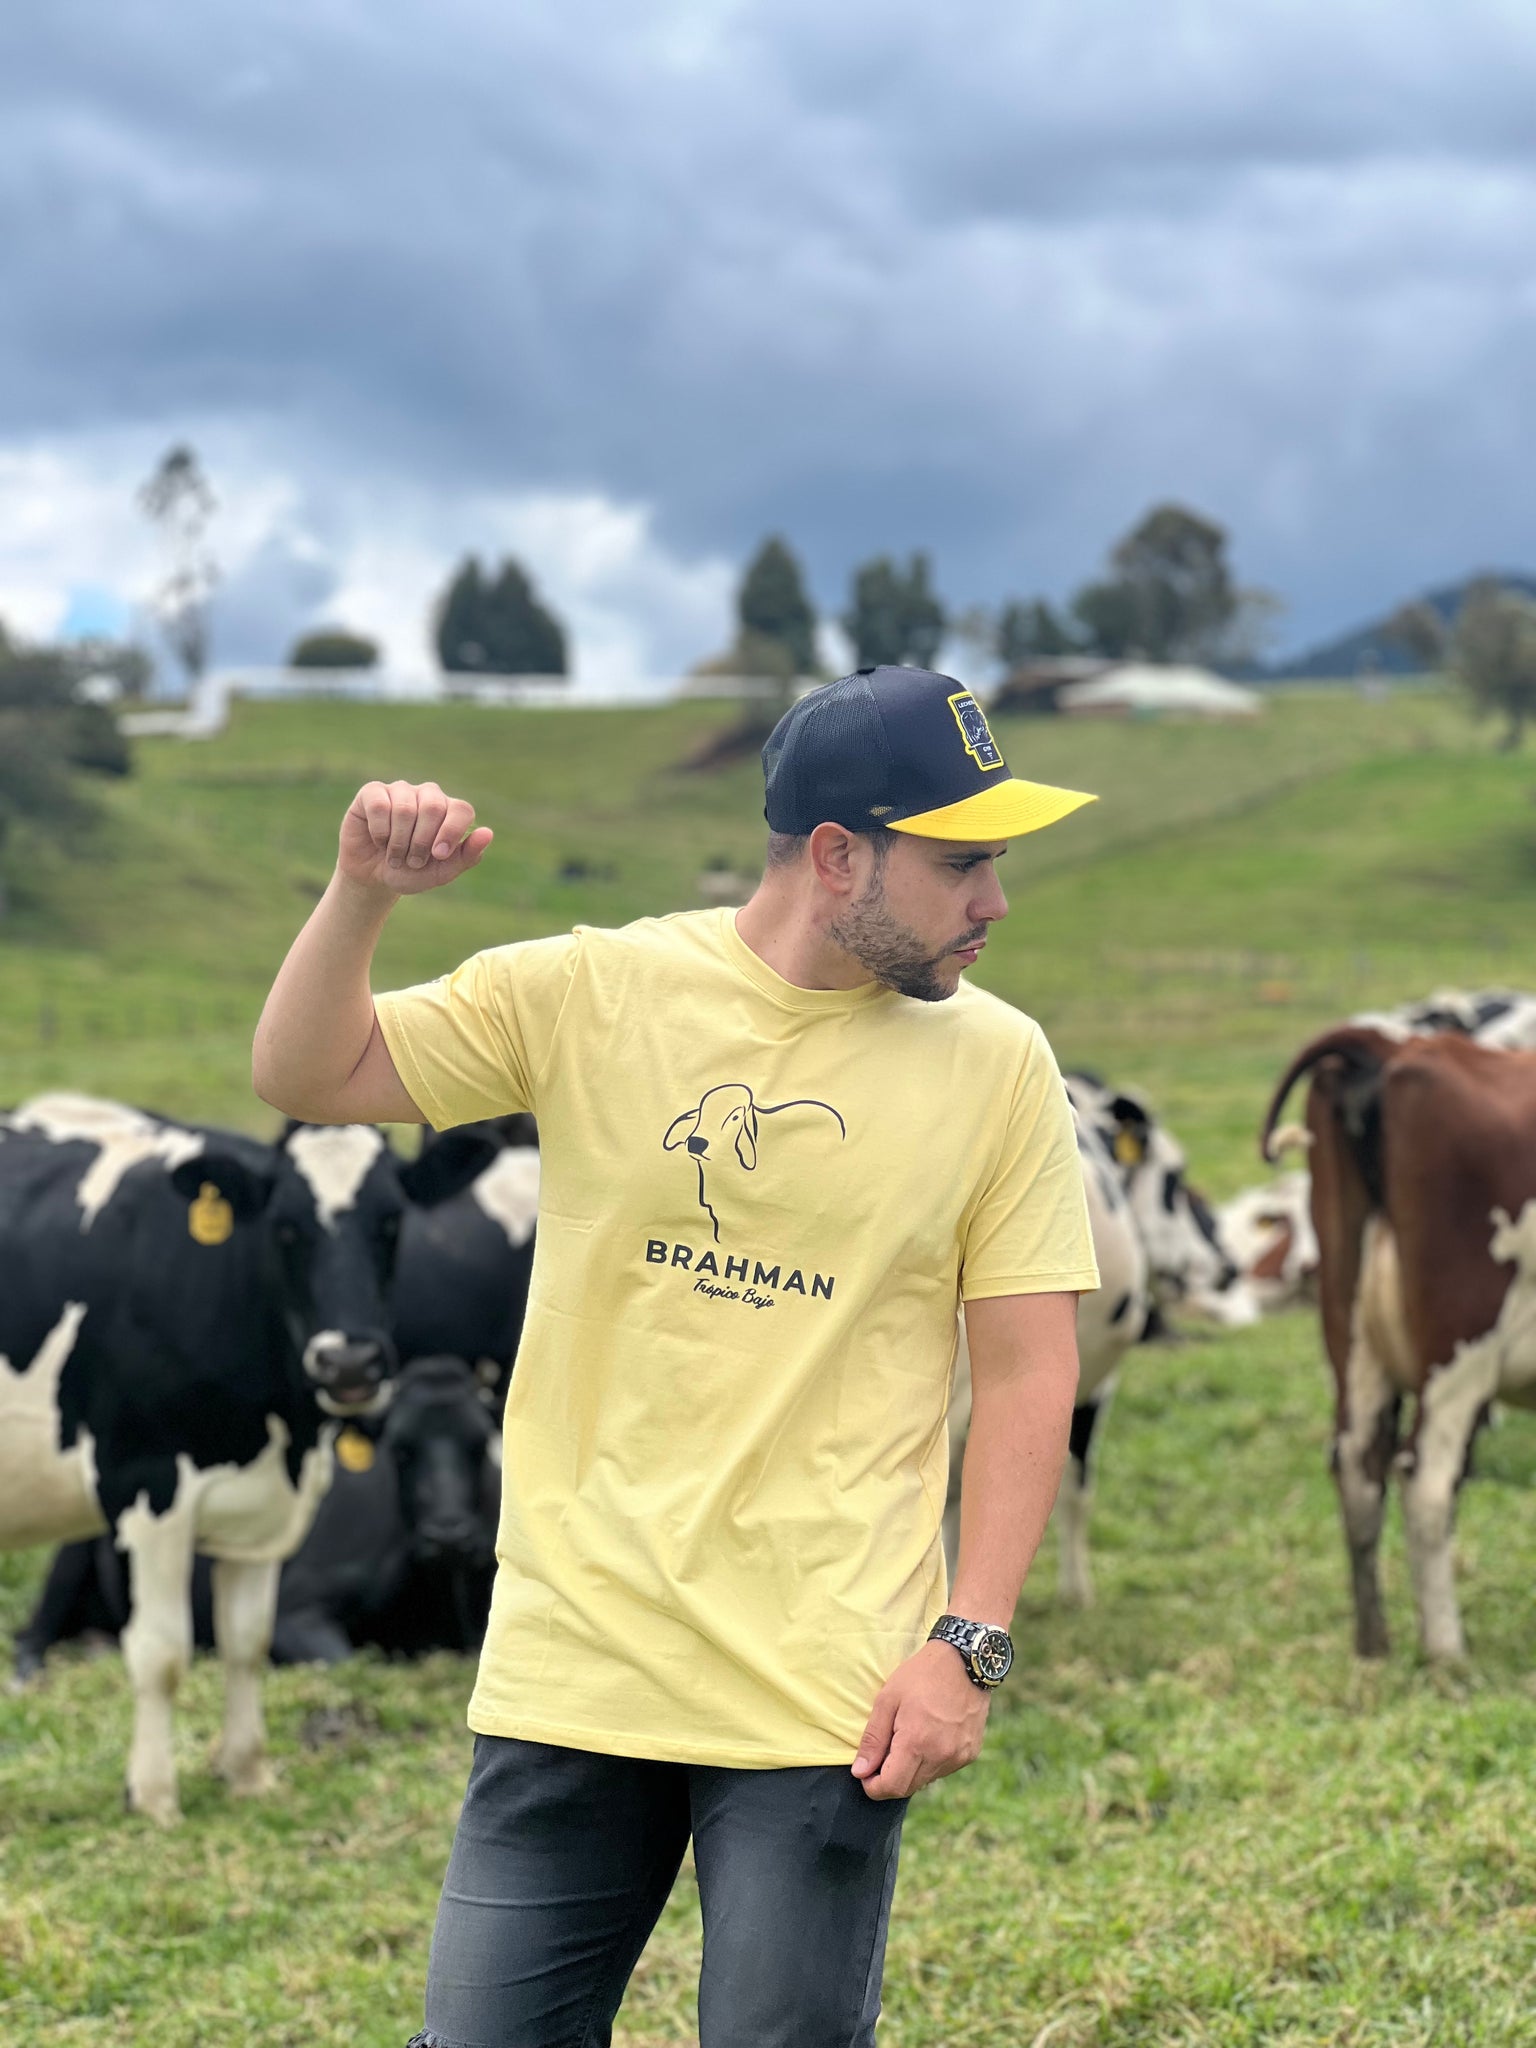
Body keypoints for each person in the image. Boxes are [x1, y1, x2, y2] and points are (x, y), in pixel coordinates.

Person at [253, 664, 1100, 2048]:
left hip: (819, 1697)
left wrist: (971, 1643)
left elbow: (1025, 1368)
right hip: (572, 1660)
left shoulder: (999, 1067)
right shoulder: (595, 990)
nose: (995, 903)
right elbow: (306, 1075)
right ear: (839, 856)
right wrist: (363, 896)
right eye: (963, 865)